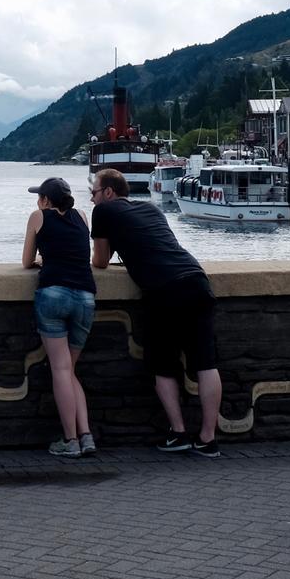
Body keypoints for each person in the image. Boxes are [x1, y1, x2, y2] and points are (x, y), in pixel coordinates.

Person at [89, 168, 222, 457]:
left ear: (108, 192)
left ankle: (178, 433)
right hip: (196, 280)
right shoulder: (151, 209)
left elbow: (99, 261)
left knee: (163, 364)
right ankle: (208, 438)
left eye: (94, 193)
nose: (91, 199)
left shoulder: (104, 212)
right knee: (205, 363)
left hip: (163, 289)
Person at [21, 177, 96, 458]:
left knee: (61, 371)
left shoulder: (38, 217)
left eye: (39, 196)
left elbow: (27, 261)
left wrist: (43, 259)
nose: (37, 201)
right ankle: (86, 435)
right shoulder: (82, 216)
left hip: (54, 294)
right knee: (69, 370)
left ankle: (70, 440)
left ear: (45, 200)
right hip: (86, 297)